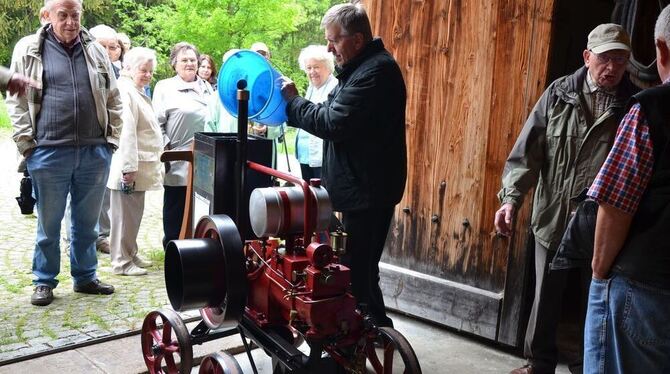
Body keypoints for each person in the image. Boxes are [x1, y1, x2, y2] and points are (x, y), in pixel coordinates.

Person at [494, 24, 637, 374]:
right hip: (553, 216)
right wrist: (511, 199)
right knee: (546, 297)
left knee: (594, 299)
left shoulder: (634, 105)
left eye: (620, 60)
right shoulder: (558, 95)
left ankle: (585, 365)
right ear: (588, 57)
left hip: (603, 223)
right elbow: (526, 153)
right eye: (605, 58)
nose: (613, 68)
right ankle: (538, 364)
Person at [281, 3, 407, 328]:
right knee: (359, 267)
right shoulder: (357, 70)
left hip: (366, 193)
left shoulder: (376, 73)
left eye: (333, 40)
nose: (328, 47)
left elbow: (332, 122)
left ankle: (361, 335)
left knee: (354, 270)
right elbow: (328, 112)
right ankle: (373, 329)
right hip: (355, 191)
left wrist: (294, 103)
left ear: (358, 39)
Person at [6, 0, 121, 306]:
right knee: (49, 222)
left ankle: (85, 277)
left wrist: (112, 141)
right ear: (47, 16)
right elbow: (15, 101)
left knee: (87, 223)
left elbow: (113, 97)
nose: (71, 21)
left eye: (75, 15)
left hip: (94, 151)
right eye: (63, 15)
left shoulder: (95, 49)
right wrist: (26, 145)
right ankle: (44, 280)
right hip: (48, 152)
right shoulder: (29, 48)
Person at [583, 6, 670, 373]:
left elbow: (617, 203)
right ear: (588, 58)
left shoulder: (649, 108)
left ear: (662, 50)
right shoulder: (559, 94)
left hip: (645, 286)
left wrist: (599, 274)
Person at [107, 47, 162, 276]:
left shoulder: (136, 89)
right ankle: (121, 261)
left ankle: (130, 252)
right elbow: (126, 133)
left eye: (150, 71)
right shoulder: (125, 91)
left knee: (133, 214)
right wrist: (128, 168)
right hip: (129, 167)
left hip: (139, 166)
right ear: (128, 68)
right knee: (123, 216)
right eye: (143, 70)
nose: (148, 75)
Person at [153, 42, 214, 249]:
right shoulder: (165, 87)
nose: (190, 63)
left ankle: (196, 248)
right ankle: (172, 247)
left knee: (201, 205)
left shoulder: (206, 87)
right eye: (184, 60)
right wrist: (166, 150)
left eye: (193, 60)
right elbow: (156, 124)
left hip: (206, 158)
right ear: (174, 64)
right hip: (178, 157)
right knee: (176, 206)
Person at [295, 45, 337, 181]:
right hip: (305, 157)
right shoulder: (311, 88)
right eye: (308, 68)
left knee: (321, 199)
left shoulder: (334, 87)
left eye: (316, 67)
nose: (312, 71)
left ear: (328, 67)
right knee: (309, 198)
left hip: (322, 159)